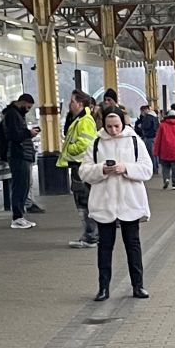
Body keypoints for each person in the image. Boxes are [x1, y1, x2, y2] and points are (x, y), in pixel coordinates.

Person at [80, 111, 152, 301]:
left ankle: (138, 285)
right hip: (105, 203)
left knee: (133, 245)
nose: (112, 130)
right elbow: (84, 172)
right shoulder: (96, 143)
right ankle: (103, 288)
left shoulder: (135, 141)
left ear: (123, 124)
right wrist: (101, 169)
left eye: (116, 126)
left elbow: (147, 169)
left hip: (130, 202)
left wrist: (126, 168)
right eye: (109, 126)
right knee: (104, 247)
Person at [57, 90, 99, 248]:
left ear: (80, 104)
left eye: (72, 101)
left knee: (83, 202)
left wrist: (70, 149)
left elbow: (87, 142)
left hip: (80, 165)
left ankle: (90, 236)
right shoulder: (80, 119)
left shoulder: (84, 121)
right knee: (84, 201)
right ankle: (91, 234)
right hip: (78, 165)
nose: (70, 104)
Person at [1, 93, 39, 229]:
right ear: (22, 102)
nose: (28, 110)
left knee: (24, 185)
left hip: (22, 154)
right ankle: (17, 216)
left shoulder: (16, 114)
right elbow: (13, 135)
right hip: (18, 154)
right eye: (28, 107)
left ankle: (20, 216)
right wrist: (29, 133)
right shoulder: (12, 114)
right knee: (20, 186)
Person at [154, 108, 175, 190]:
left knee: (165, 167)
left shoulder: (162, 125)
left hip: (165, 151)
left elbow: (158, 139)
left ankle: (166, 179)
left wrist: (156, 151)